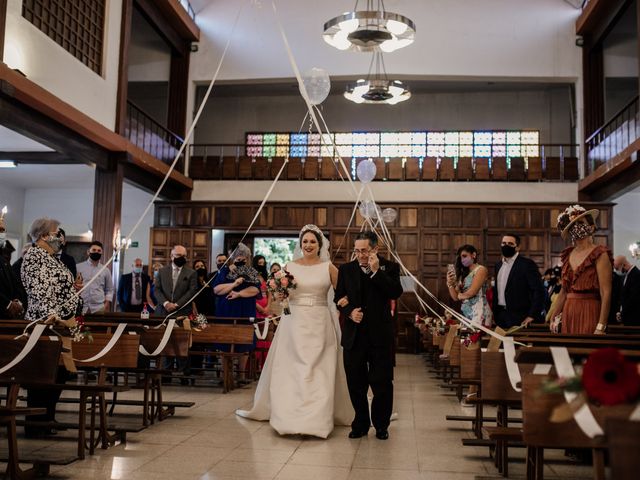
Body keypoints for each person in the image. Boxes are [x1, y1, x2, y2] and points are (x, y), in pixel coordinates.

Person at [236, 225, 353, 438]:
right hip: (294, 322)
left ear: (320, 245)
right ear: (300, 244)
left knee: (318, 369)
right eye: (305, 241)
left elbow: (341, 294)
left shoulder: (329, 268)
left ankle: (317, 420)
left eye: (312, 242)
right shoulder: (289, 267)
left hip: (319, 322)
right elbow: (284, 296)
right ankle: (288, 415)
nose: (308, 245)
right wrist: (282, 297)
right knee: (292, 368)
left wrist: (344, 307)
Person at [334, 231, 403, 440]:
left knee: (381, 382)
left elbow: (395, 292)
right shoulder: (346, 269)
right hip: (354, 335)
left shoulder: (389, 267)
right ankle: (360, 422)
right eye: (357, 250)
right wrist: (349, 311)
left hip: (379, 335)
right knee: (356, 382)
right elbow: (338, 297)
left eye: (364, 250)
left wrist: (375, 273)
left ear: (375, 249)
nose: (360, 255)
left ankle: (381, 425)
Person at [21, 217, 82, 437]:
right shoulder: (34, 258)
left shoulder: (52, 257)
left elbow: (64, 287)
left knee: (59, 373)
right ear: (43, 235)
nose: (60, 237)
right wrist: (53, 314)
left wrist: (76, 302)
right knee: (45, 373)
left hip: (62, 323)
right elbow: (39, 290)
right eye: (56, 232)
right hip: (46, 323)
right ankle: (37, 423)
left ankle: (48, 417)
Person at [550, 205, 613, 334]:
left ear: (592, 227)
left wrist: (601, 326)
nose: (576, 227)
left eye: (580, 223)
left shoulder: (600, 253)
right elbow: (563, 291)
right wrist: (553, 316)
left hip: (590, 309)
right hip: (569, 311)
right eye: (573, 225)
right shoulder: (568, 254)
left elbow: (606, 292)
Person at [213, 243, 261, 378]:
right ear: (232, 257)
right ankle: (226, 375)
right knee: (224, 343)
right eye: (237, 257)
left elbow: (255, 290)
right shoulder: (224, 270)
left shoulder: (251, 271)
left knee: (244, 343)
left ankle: (241, 375)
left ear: (247, 257)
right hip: (226, 310)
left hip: (245, 310)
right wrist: (234, 284)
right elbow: (217, 289)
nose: (240, 259)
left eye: (243, 257)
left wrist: (239, 294)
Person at [492, 233, 545, 329]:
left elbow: (538, 291)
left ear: (517, 247)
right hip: (500, 315)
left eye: (510, 244)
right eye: (503, 243)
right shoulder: (498, 265)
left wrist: (532, 315)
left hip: (520, 316)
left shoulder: (527, 264)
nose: (506, 246)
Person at [446, 245, 492, 328]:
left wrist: (460, 295)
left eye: (464, 256)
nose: (462, 259)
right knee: (465, 339)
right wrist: (450, 283)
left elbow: (472, 292)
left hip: (479, 310)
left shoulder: (481, 269)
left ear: (473, 255)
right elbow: (455, 297)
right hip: (466, 311)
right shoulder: (463, 273)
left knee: (476, 338)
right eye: (461, 257)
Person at [154, 245, 198, 317]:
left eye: (184, 256)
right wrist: (166, 303)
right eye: (179, 255)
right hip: (162, 312)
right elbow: (156, 290)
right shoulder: (162, 271)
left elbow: (192, 291)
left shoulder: (192, 273)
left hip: (182, 312)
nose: (182, 258)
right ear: (171, 256)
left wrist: (176, 305)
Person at [76, 241, 114, 313]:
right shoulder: (78, 267)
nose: (96, 252)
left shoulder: (105, 270)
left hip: (99, 307)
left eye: (99, 251)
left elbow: (110, 289)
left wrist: (107, 303)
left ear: (102, 253)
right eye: (94, 250)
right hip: (81, 306)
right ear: (88, 252)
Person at [0, 217, 25, 318]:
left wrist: (18, 301)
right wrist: (8, 304)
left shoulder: (3, 259)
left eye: (3, 230)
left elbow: (16, 284)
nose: (2, 233)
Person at [613, 255, 640, 326]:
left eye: (617, 268)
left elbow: (633, 299)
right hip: (628, 317)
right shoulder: (628, 275)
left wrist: (622, 313)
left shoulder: (636, 275)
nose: (617, 271)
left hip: (634, 319)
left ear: (623, 265)